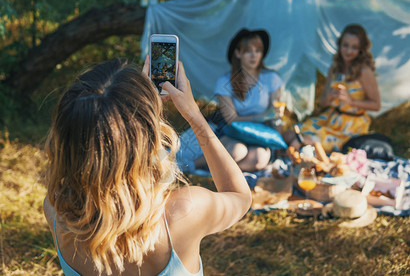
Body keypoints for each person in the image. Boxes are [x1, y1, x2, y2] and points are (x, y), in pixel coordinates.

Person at [43, 56, 251, 276]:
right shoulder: (182, 213)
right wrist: (193, 115)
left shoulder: (56, 213)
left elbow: (113, 155)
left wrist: (139, 115)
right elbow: (240, 196)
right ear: (148, 139)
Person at [205, 28, 283, 172]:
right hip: (233, 132)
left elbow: (275, 117)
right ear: (238, 53)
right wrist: (263, 116)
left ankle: (218, 170)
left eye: (258, 50)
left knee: (258, 159)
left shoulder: (272, 78)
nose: (254, 55)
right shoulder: (224, 81)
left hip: (261, 135)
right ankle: (207, 165)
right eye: (248, 51)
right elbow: (231, 119)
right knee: (237, 151)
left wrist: (279, 148)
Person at [294, 24, 381, 153]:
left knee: (303, 140)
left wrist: (350, 101)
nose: (348, 51)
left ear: (361, 50)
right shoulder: (335, 68)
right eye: (345, 45)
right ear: (340, 45)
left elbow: (376, 105)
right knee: (293, 133)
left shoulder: (364, 71)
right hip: (332, 117)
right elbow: (323, 103)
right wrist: (329, 96)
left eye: (354, 47)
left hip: (352, 124)